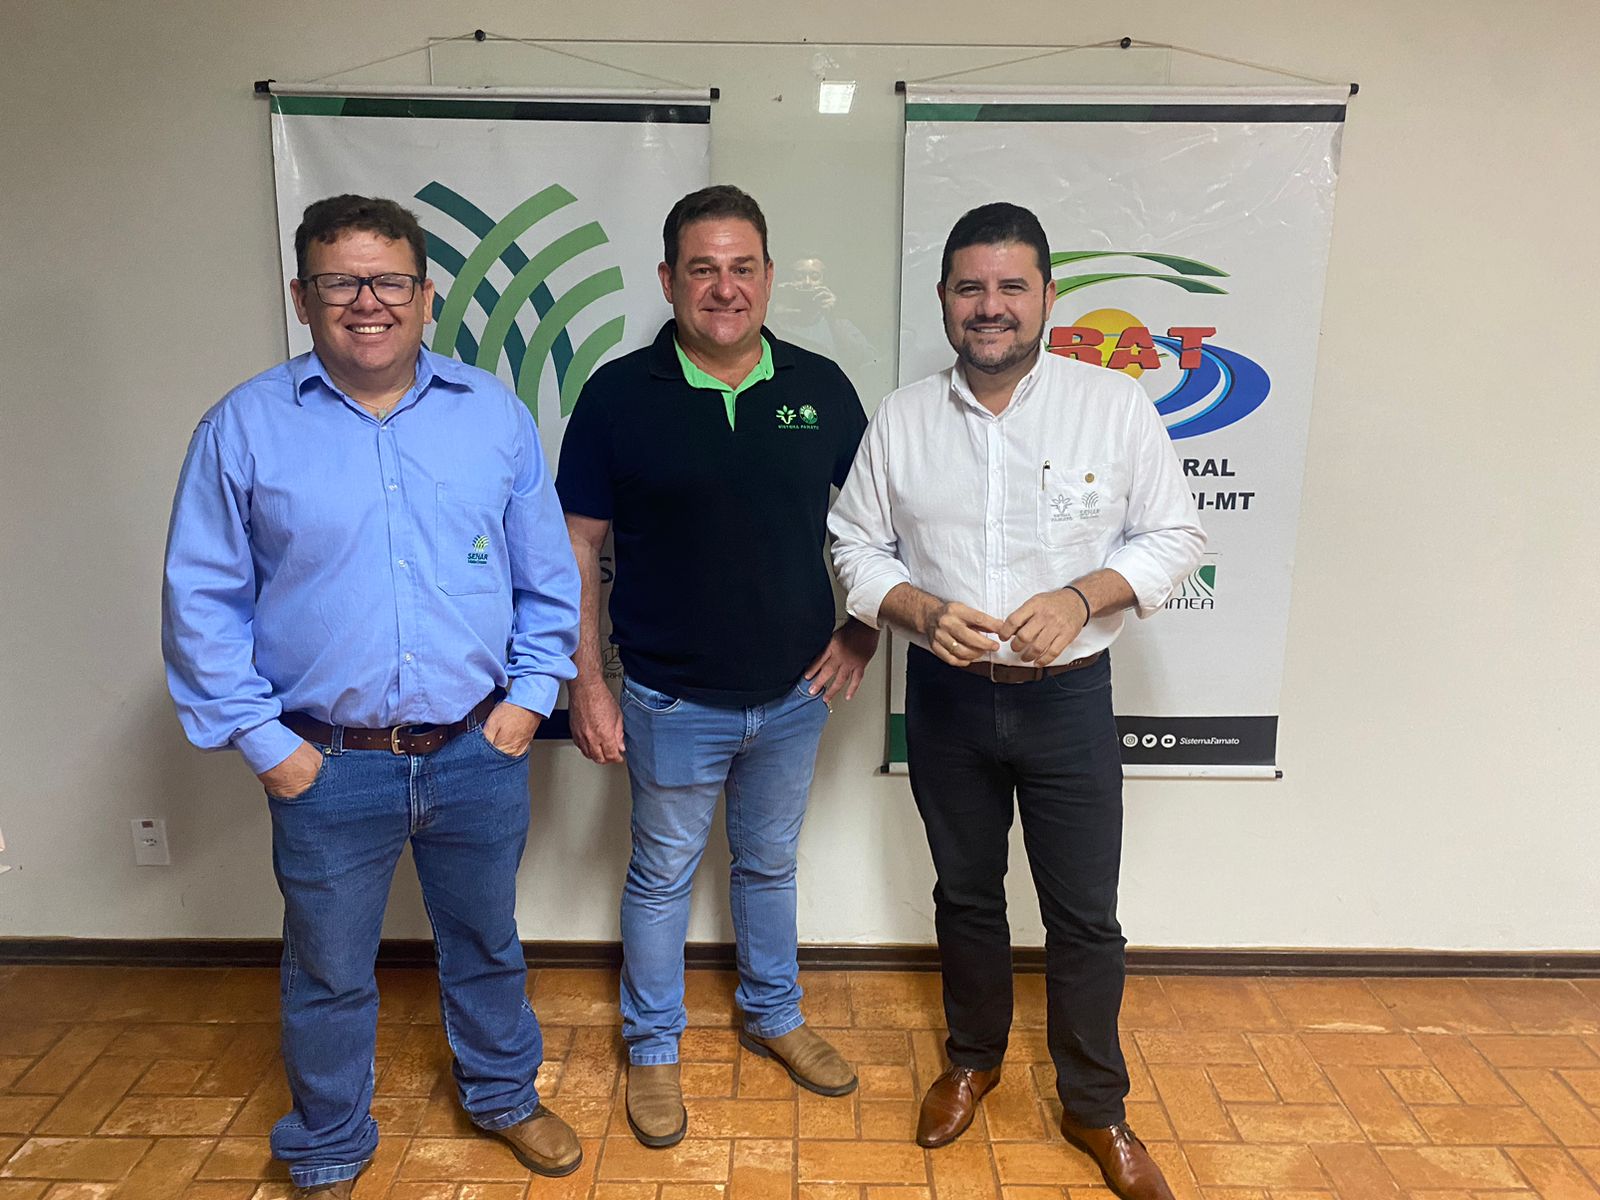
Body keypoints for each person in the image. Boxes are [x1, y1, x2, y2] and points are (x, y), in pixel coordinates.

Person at [162, 195, 583, 1196]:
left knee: (485, 942)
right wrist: (267, 745)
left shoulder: (490, 415)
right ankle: (326, 1143)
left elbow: (546, 575)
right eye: (340, 281)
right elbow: (201, 600)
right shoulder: (243, 427)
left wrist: (529, 700)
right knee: (328, 969)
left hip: (477, 750)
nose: (367, 302)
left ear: (426, 295)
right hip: (326, 762)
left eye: (390, 280)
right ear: (301, 295)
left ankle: (503, 1095)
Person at [828, 202, 1204, 1200]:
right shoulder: (903, 418)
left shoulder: (1112, 405)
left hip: (1067, 701)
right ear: (944, 299)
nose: (989, 306)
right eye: (970, 287)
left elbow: (1174, 536)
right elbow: (853, 544)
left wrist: (1082, 597)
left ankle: (1095, 1107)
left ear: (1047, 297)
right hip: (947, 699)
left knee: (1084, 917)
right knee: (965, 896)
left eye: (1010, 287)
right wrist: (915, 608)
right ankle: (972, 1060)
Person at [556, 185, 876, 1148]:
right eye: (703, 269)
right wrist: (588, 683)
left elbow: (879, 526)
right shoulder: (617, 396)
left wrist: (862, 630)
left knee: (769, 865)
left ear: (770, 278)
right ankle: (653, 1048)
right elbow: (577, 546)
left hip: (795, 694)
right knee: (661, 875)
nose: (724, 288)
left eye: (742, 268)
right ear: (668, 280)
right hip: (667, 697)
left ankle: (773, 1014)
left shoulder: (823, 388)